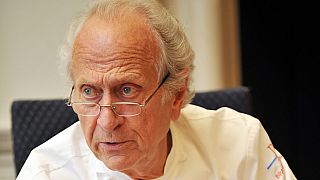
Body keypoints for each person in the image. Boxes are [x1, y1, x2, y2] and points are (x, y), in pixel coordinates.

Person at [17, 0, 296, 179]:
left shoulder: (239, 144)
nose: (106, 121)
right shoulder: (46, 173)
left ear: (175, 95)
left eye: (127, 91)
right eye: (89, 92)